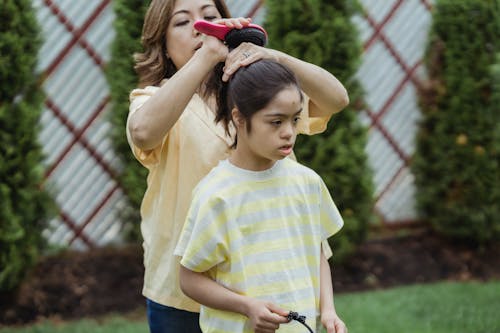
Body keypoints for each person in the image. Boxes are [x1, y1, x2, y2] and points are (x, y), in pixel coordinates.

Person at [126, 0, 349, 332]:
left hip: (263, 285)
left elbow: (337, 99)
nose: (200, 28)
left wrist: (273, 57)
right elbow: (143, 132)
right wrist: (206, 56)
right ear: (163, 44)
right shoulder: (152, 98)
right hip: (181, 295)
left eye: (210, 17)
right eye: (183, 22)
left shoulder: (254, 98)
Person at [175, 59, 347, 333]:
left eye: (294, 119)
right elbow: (190, 278)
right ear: (239, 118)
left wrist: (328, 311)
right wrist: (247, 307)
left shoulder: (307, 182)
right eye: (276, 122)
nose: (289, 132)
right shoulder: (216, 194)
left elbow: (317, 253)